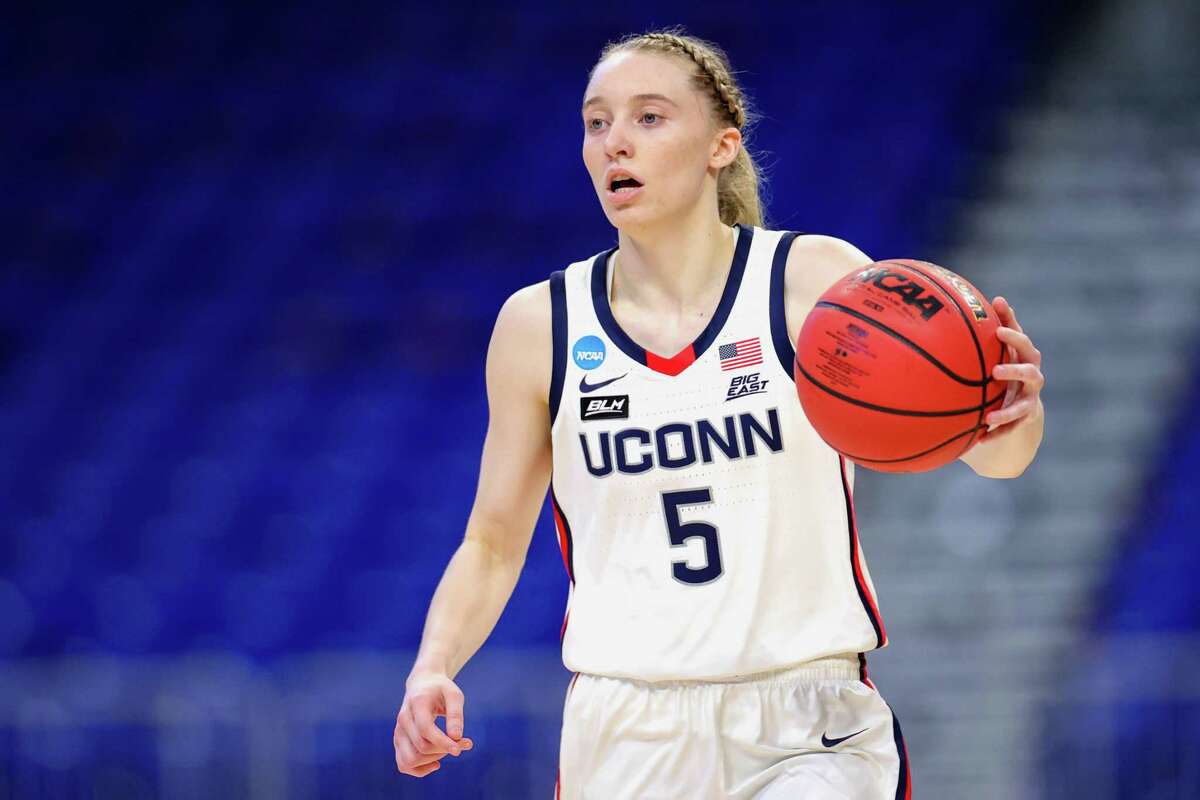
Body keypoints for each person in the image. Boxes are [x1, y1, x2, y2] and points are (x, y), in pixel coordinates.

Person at [393, 27, 1045, 799]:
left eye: (649, 117)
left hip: (807, 722)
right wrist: (433, 663)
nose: (614, 144)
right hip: (624, 728)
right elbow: (493, 542)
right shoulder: (540, 325)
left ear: (721, 146)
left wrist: (1004, 410)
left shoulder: (814, 280)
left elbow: (995, 457)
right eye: (596, 123)